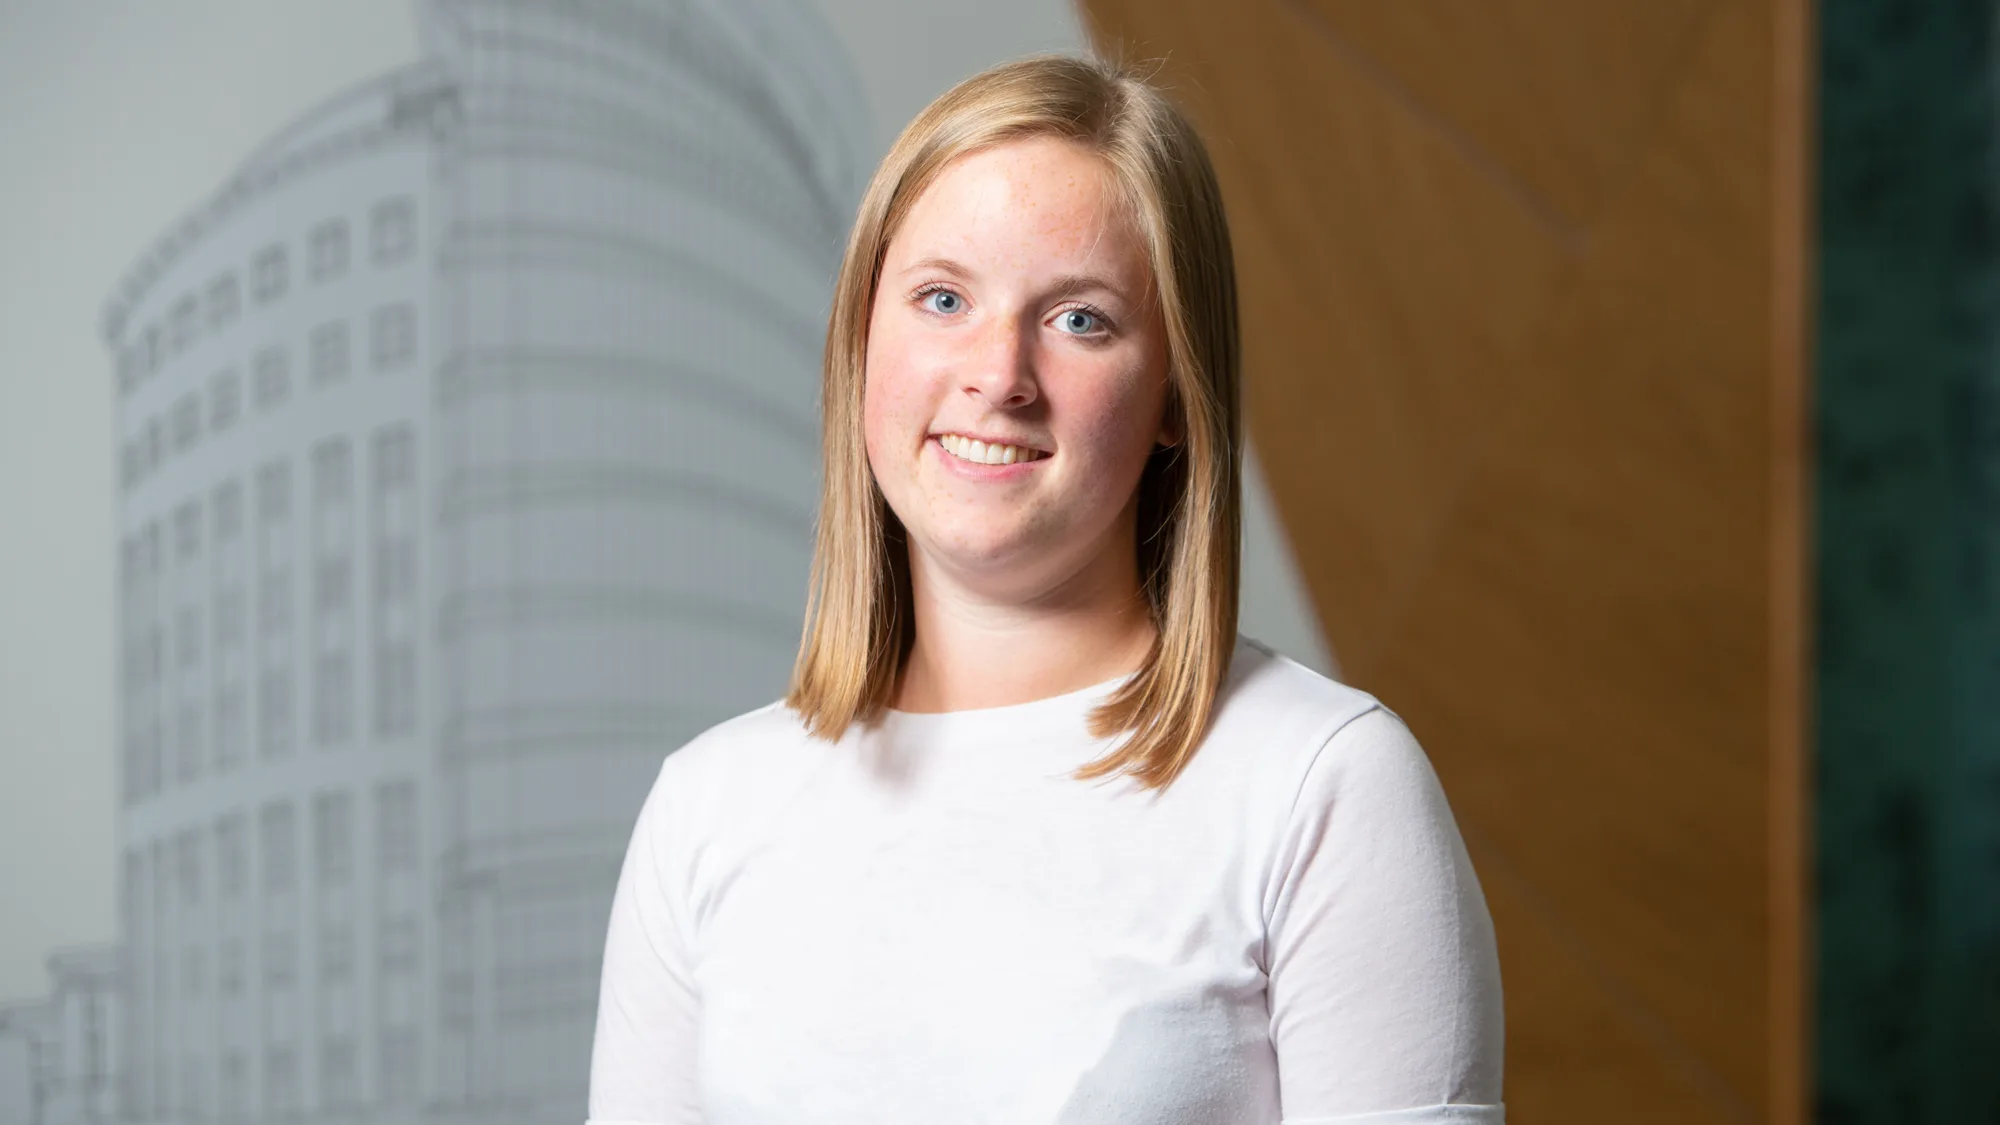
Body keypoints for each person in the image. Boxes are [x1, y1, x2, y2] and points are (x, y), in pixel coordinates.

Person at [586, 52, 1504, 1125]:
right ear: (860, 342)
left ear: (1173, 390)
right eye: (941, 298)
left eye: (1079, 319)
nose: (997, 374)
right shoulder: (706, 809)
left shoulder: (1322, 785)